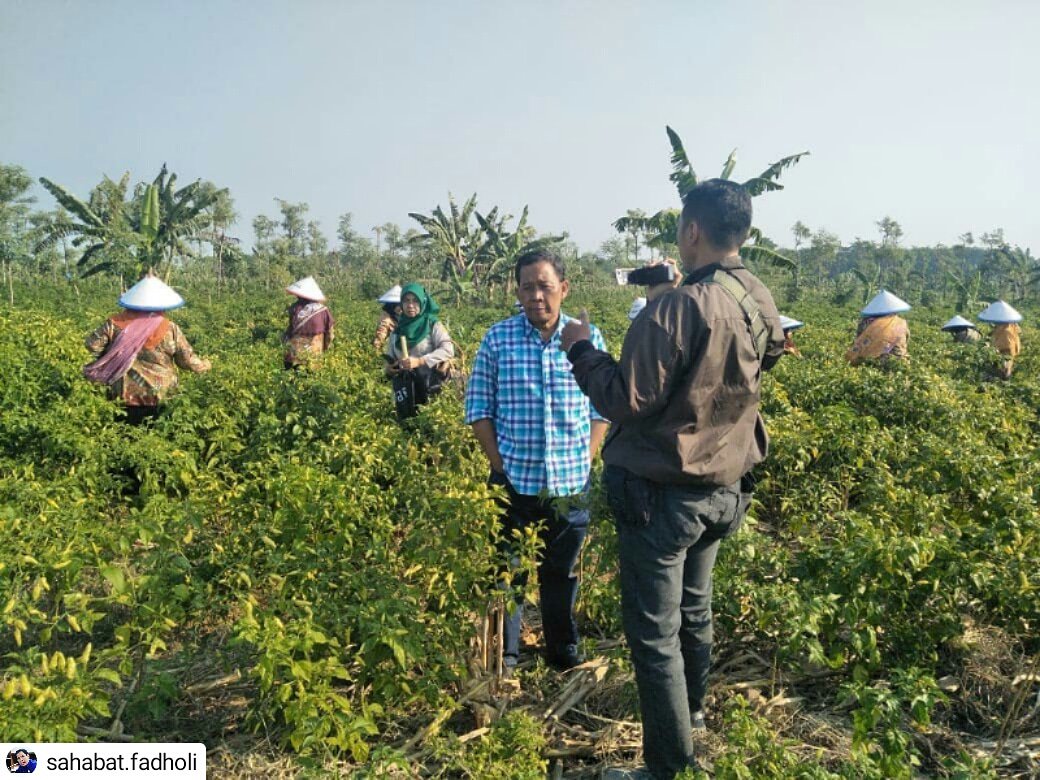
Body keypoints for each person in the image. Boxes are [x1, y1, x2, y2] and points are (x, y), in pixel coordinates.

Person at [561, 179, 785, 780]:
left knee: (655, 637)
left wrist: (582, 348)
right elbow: (744, 362)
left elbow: (624, 396)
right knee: (695, 612)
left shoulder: (678, 306)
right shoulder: (756, 295)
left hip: (663, 498)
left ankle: (668, 767)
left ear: (691, 231)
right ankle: (694, 718)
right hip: (724, 490)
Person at [465, 249, 609, 675]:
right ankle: (504, 660)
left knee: (560, 575)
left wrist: (587, 455)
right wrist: (499, 465)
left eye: (544, 286)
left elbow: (603, 406)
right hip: (512, 482)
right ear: (517, 291)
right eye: (527, 287)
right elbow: (478, 408)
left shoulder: (587, 339)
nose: (536, 296)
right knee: (507, 574)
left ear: (563, 289)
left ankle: (562, 656)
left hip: (569, 485)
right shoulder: (498, 338)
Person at [84, 274, 211, 425]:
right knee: (157, 437)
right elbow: (186, 360)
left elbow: (92, 346)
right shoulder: (169, 328)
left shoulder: (115, 323)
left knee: (123, 436)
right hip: (159, 393)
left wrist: (114, 355)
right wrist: (205, 365)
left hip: (123, 393)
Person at [385, 283, 455, 417]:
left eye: (415, 300)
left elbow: (448, 350)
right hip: (407, 393)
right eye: (406, 301)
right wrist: (389, 369)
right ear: (401, 303)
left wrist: (420, 361)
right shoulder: (397, 332)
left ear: (422, 302)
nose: (410, 305)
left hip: (433, 388)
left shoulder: (432, 324)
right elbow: (390, 359)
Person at [845, 290, 911, 365]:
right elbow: (907, 339)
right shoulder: (901, 323)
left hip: (872, 361)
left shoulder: (866, 322)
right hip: (899, 361)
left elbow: (859, 340)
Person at [284, 276, 334, 369]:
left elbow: (290, 330)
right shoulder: (323, 310)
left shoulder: (294, 308)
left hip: (294, 354)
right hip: (314, 355)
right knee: (311, 379)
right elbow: (330, 335)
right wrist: (326, 348)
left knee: (292, 379)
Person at [978, 300, 1023, 379]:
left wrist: (990, 349)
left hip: (1003, 358)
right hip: (1005, 358)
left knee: (1000, 376)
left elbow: (1003, 347)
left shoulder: (1006, 331)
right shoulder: (1010, 327)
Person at [373, 285, 402, 350]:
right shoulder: (386, 319)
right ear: (392, 306)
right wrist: (377, 349)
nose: (400, 308)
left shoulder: (400, 315)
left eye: (401, 305)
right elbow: (381, 334)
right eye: (397, 305)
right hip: (390, 348)